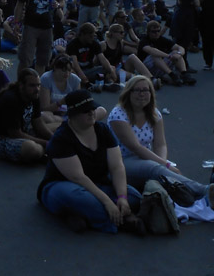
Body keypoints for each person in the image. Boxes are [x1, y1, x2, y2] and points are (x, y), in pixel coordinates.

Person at [36, 90, 145, 235]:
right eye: (85, 111)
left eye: (93, 109)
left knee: (134, 197)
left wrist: (122, 198)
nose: (91, 113)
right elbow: (78, 177)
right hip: (64, 186)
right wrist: (107, 202)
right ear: (73, 114)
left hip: (98, 183)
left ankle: (82, 216)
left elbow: (117, 166)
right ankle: (121, 221)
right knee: (80, 199)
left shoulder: (103, 130)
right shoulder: (61, 139)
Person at [108, 76, 214, 206]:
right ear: (128, 93)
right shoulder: (118, 115)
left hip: (146, 159)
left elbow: (160, 144)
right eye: (137, 90)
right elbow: (136, 148)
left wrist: (163, 164)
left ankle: (199, 199)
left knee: (163, 171)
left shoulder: (154, 114)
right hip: (121, 161)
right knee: (157, 168)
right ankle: (204, 190)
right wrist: (164, 165)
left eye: (145, 90)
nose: (141, 94)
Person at [0, 68, 51, 163]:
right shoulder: (10, 99)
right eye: (32, 85)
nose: (37, 89)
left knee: (59, 128)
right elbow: (15, 134)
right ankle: (45, 153)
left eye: (38, 85)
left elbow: (38, 123)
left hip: (21, 131)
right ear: (21, 86)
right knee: (33, 149)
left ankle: (47, 151)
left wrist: (54, 139)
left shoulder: (34, 95)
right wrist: (47, 144)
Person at [14, 0, 64, 74]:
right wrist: (16, 23)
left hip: (47, 26)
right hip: (31, 25)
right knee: (25, 59)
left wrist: (58, 5)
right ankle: (21, 85)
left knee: (43, 60)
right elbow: (19, 5)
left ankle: (37, 86)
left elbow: (62, 0)